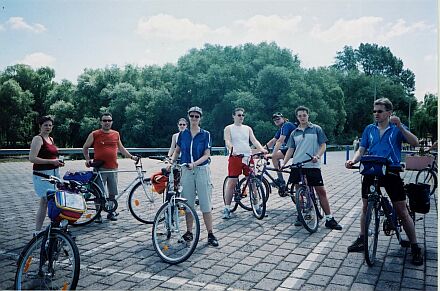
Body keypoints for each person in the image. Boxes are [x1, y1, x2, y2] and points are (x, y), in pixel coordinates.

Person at [345, 98, 423, 265]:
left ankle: (415, 247)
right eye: (374, 111)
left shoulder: (396, 128)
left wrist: (400, 126)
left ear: (389, 113)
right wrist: (354, 160)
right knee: (366, 206)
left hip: (391, 170)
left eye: (379, 111)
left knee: (401, 211)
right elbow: (362, 148)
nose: (376, 114)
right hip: (371, 169)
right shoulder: (369, 129)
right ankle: (362, 238)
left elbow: (415, 142)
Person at [282, 106, 342, 230]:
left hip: (312, 164)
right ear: (297, 117)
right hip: (297, 165)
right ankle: (302, 214)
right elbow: (291, 149)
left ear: (308, 115)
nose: (302, 117)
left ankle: (329, 218)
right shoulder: (294, 132)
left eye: (304, 115)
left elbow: (323, 145)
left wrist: (318, 156)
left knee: (321, 191)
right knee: (299, 191)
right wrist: (284, 162)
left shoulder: (316, 129)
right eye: (299, 116)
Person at [169, 106, 219, 247]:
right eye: (192, 116)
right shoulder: (182, 134)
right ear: (188, 116)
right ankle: (189, 231)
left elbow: (207, 154)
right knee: (188, 203)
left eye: (197, 116)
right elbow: (177, 151)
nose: (194, 118)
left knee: (205, 203)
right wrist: (171, 163)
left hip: (201, 170)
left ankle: (210, 233)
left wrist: (194, 164)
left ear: (200, 118)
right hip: (186, 170)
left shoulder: (205, 134)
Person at [82, 112, 138, 223]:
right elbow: (85, 147)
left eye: (109, 120)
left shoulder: (116, 134)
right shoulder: (95, 134)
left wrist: (132, 157)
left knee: (112, 192)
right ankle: (97, 214)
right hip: (100, 168)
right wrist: (88, 159)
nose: (107, 122)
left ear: (112, 122)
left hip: (113, 168)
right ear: (100, 122)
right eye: (104, 120)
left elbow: (121, 149)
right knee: (99, 193)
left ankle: (110, 211)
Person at [223, 107, 268, 219]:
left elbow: (254, 140)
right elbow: (227, 141)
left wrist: (261, 149)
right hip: (235, 157)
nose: (241, 117)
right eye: (239, 115)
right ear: (233, 116)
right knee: (232, 182)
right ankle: (227, 208)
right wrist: (232, 149)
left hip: (248, 156)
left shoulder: (247, 128)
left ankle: (256, 206)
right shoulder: (229, 128)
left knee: (253, 182)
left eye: (243, 115)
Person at [29, 115, 65, 233]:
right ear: (40, 126)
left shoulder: (51, 139)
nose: (48, 127)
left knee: (50, 201)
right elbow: (32, 158)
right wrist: (51, 161)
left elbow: (51, 155)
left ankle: (55, 228)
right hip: (42, 175)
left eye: (50, 125)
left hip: (53, 174)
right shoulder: (38, 139)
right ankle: (38, 231)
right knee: (46, 201)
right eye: (45, 125)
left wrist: (57, 162)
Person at [265, 112, 297, 188]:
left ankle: (281, 181)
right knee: (275, 157)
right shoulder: (282, 128)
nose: (276, 120)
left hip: (296, 148)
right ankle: (281, 181)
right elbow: (272, 141)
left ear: (283, 118)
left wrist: (273, 154)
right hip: (292, 148)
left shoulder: (287, 125)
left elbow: (280, 141)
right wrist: (261, 150)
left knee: (274, 156)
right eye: (275, 120)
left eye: (278, 118)